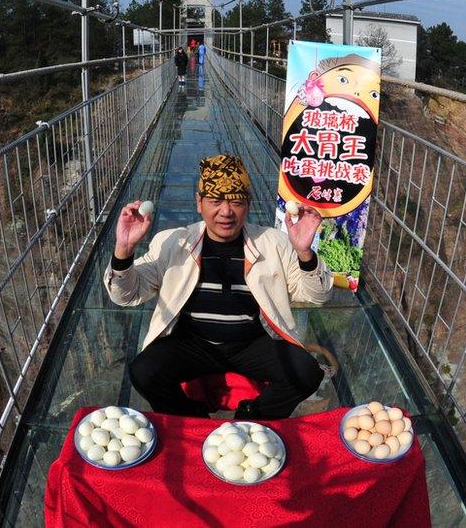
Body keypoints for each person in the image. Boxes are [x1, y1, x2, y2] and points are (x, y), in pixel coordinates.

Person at [104, 154, 333, 420]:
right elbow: (127, 295)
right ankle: (192, 418)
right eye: (215, 201)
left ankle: (251, 418)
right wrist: (124, 249)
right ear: (199, 203)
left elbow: (318, 295)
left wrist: (304, 253)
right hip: (193, 342)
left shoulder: (273, 243)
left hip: (251, 341)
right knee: (144, 371)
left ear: (248, 205)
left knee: (306, 372)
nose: (226, 212)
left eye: (236, 202)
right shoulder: (172, 242)